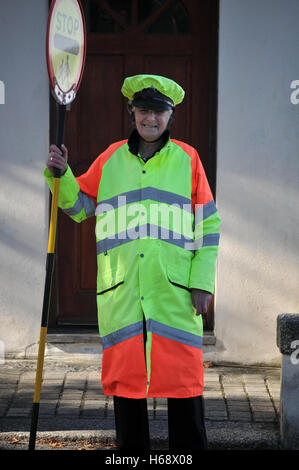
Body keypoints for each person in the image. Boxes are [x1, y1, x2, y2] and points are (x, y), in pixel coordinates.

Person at [45, 74, 221, 451]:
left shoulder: (188, 159)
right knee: (128, 392)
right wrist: (60, 175)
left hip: (173, 295)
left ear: (171, 115)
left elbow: (208, 224)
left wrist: (203, 282)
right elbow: (79, 206)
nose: (151, 119)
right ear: (132, 113)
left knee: (184, 391)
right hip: (122, 293)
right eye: (144, 111)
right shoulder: (110, 159)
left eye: (159, 111)